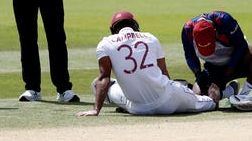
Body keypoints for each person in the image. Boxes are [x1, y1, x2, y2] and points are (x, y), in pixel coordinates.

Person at [77, 11, 220, 116]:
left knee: (99, 84)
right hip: (168, 101)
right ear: (135, 25)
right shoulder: (150, 37)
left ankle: (113, 95)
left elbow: (103, 79)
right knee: (209, 103)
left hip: (138, 108)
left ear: (113, 30)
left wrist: (96, 110)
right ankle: (220, 94)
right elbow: (164, 73)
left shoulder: (105, 43)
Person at [181, 10, 252, 99]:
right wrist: (198, 75)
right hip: (213, 68)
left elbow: (241, 46)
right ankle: (230, 91)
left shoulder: (224, 20)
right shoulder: (187, 30)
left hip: (239, 61)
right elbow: (190, 55)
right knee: (201, 98)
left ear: (215, 32)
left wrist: (228, 73)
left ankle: (243, 96)